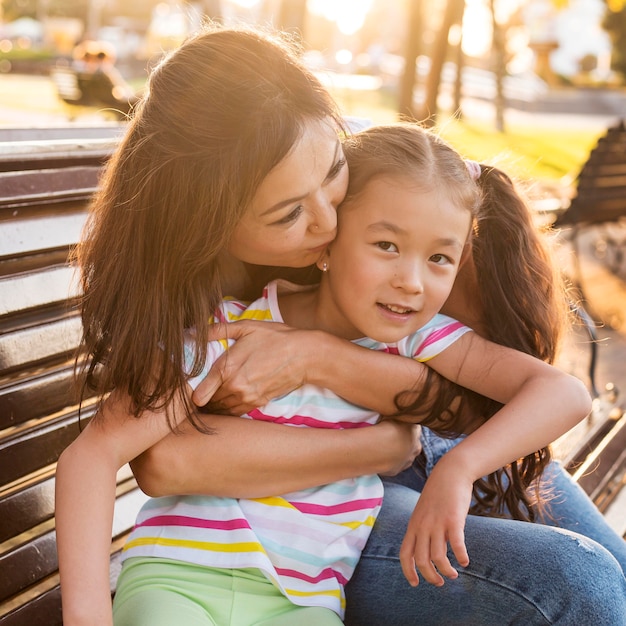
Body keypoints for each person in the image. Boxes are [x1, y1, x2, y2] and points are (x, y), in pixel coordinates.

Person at [55, 24, 626, 626]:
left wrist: (322, 361)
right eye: (289, 214)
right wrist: (384, 442)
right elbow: (160, 461)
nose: (329, 222)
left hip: (414, 472)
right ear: (212, 223)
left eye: (333, 172)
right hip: (253, 545)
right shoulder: (215, 315)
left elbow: (503, 398)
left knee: (607, 574)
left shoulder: (378, 239)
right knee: (578, 581)